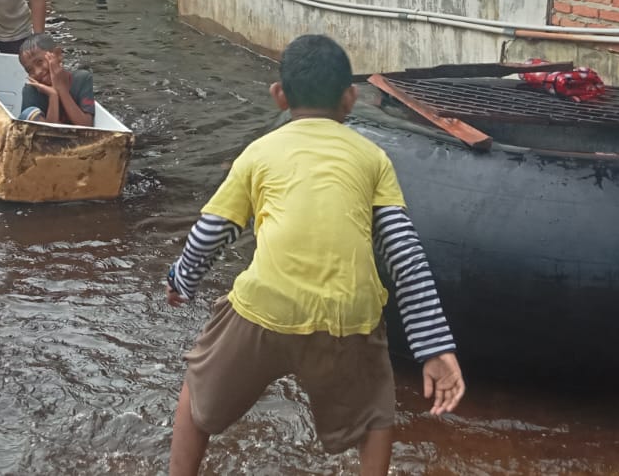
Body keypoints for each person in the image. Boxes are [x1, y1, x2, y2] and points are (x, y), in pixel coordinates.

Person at [164, 34, 464, 476]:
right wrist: (434, 347)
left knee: (196, 392)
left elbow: (214, 230)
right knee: (376, 417)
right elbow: (404, 253)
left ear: (278, 96)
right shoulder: (373, 157)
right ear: (351, 98)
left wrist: (181, 280)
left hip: (266, 306)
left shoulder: (259, 152)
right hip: (349, 316)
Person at [18, 32, 94, 126]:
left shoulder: (82, 79)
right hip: (46, 139)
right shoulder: (31, 90)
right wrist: (53, 96)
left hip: (79, 139)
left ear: (58, 55)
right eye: (30, 70)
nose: (37, 72)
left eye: (40, 62)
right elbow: (47, 133)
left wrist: (61, 89)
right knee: (28, 113)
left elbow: (86, 126)